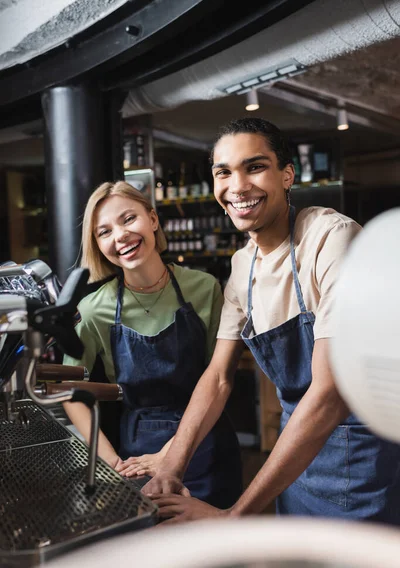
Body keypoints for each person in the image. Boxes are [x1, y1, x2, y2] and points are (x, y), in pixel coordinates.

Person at [143, 117, 400, 525]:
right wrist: (171, 466)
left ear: (287, 175)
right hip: (293, 461)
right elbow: (218, 377)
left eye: (255, 167)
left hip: (360, 460)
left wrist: (235, 516)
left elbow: (330, 392)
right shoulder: (242, 266)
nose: (238, 186)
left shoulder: (331, 238)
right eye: (223, 172)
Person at [62, 180, 243, 509]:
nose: (120, 236)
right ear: (98, 245)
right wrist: (112, 463)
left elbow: (219, 380)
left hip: (206, 442)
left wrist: (170, 455)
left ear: (153, 220)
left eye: (128, 219)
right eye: (104, 232)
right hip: (138, 456)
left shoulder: (203, 288)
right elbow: (69, 390)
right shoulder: (93, 309)